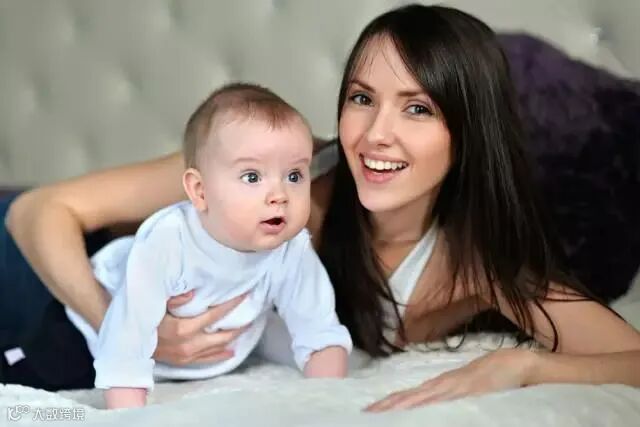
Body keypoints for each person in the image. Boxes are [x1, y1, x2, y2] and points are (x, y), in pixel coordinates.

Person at [2, 3, 639, 412]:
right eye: (362, 98)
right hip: (49, 278)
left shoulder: (481, 269)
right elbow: (39, 211)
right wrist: (127, 326)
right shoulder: (276, 166)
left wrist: (525, 365)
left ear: (470, 134)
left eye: (417, 108)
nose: (376, 134)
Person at [70, 83, 351, 409]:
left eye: (294, 176)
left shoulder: (291, 248)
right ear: (200, 191)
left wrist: (327, 400)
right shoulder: (167, 243)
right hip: (79, 330)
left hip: (194, 359)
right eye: (252, 177)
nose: (279, 195)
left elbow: (319, 331)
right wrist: (130, 415)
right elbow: (125, 341)